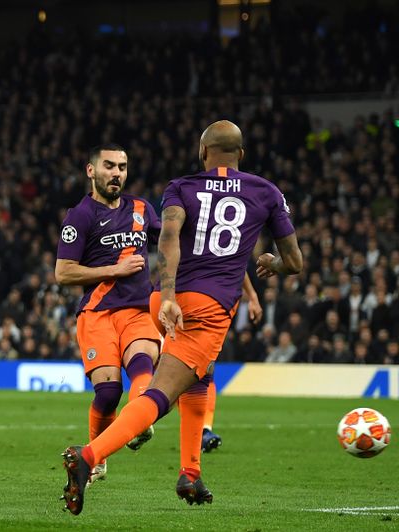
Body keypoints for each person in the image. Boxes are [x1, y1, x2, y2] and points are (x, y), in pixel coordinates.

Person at [61, 120, 302, 514]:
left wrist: (169, 295)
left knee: (200, 378)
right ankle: (87, 456)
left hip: (161, 299)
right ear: (241, 154)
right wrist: (272, 263)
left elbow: (169, 237)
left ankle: (190, 472)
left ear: (203, 153)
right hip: (206, 312)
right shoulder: (267, 192)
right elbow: (294, 261)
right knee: (161, 394)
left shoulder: (181, 187)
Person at [54, 144, 161, 482]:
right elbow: (63, 273)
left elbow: (171, 243)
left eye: (123, 167)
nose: (117, 173)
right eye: (109, 166)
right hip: (97, 313)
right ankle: (98, 456)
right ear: (91, 171)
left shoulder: (142, 209)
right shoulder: (80, 216)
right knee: (109, 393)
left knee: (143, 361)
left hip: (139, 309)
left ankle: (140, 418)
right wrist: (115, 270)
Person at [201, 275, 262, 453]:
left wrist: (251, 295)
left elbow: (239, 265)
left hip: (209, 308)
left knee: (201, 374)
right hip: (191, 304)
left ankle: (203, 431)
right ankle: (139, 423)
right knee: (186, 378)